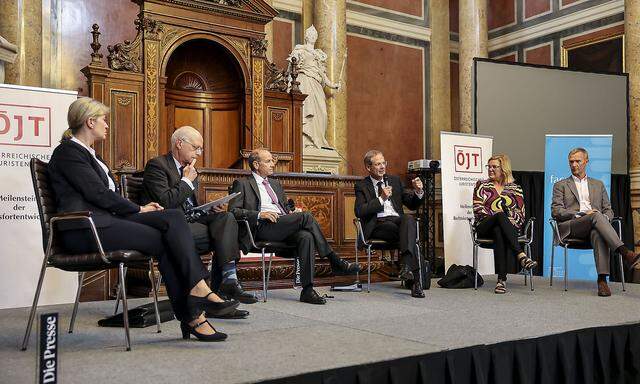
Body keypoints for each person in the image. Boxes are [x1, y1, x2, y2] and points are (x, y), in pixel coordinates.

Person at [48, 97, 238, 341]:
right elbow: (97, 194)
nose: (107, 124)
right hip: (85, 229)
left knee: (171, 219)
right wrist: (137, 210)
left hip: (105, 221)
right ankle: (195, 305)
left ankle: (196, 303)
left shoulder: (92, 155)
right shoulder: (68, 152)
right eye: (104, 120)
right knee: (166, 233)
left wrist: (141, 208)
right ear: (90, 121)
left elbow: (105, 196)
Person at [142, 126, 256, 320]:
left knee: (226, 218)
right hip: (170, 229)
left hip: (191, 223)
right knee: (223, 235)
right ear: (179, 143)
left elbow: (190, 206)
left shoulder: (191, 171)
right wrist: (186, 181)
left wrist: (209, 209)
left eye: (200, 149)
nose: (198, 153)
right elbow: (166, 203)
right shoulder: (157, 166)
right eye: (196, 148)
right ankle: (221, 294)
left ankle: (227, 284)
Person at [228, 148, 360, 304]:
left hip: (280, 224)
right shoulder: (242, 184)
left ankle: (308, 290)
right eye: (268, 161)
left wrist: (291, 212)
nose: (273, 164)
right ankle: (334, 260)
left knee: (306, 236)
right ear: (256, 164)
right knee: (306, 217)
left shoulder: (275, 184)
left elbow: (283, 208)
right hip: (261, 228)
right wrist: (258, 214)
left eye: (273, 160)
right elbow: (233, 211)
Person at [551, 147, 640, 296]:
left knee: (598, 231)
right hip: (572, 227)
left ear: (586, 161)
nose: (574, 165)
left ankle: (602, 281)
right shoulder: (561, 185)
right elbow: (556, 211)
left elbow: (608, 210)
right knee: (595, 215)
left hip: (595, 226)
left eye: (577, 161)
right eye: (571, 162)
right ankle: (625, 252)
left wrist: (603, 218)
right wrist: (583, 213)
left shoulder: (598, 184)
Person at [354, 150, 426, 298]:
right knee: (408, 236)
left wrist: (418, 191)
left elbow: (412, 204)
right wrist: (381, 199)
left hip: (398, 222)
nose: (382, 167)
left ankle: (406, 267)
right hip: (378, 225)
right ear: (368, 167)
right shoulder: (362, 185)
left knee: (409, 219)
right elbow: (359, 211)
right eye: (378, 164)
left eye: (384, 163)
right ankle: (416, 284)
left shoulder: (394, 180)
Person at [473, 154, 536, 294]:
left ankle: (501, 281)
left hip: (504, 229)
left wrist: (506, 220)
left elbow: (521, 215)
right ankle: (521, 255)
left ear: (503, 169)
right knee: (500, 216)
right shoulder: (482, 185)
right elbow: (478, 210)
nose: (490, 169)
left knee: (499, 231)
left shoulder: (515, 189)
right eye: (488, 166)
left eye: (494, 167)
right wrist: (502, 216)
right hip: (484, 226)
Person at [287, 25, 341, 149]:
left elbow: (322, 74)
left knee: (321, 111)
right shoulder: (299, 50)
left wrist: (333, 85)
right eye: (310, 35)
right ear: (306, 37)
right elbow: (291, 68)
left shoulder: (318, 54)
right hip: (304, 81)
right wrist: (289, 82)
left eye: (314, 36)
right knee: (306, 109)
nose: (312, 37)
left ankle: (318, 140)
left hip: (316, 84)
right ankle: (306, 141)